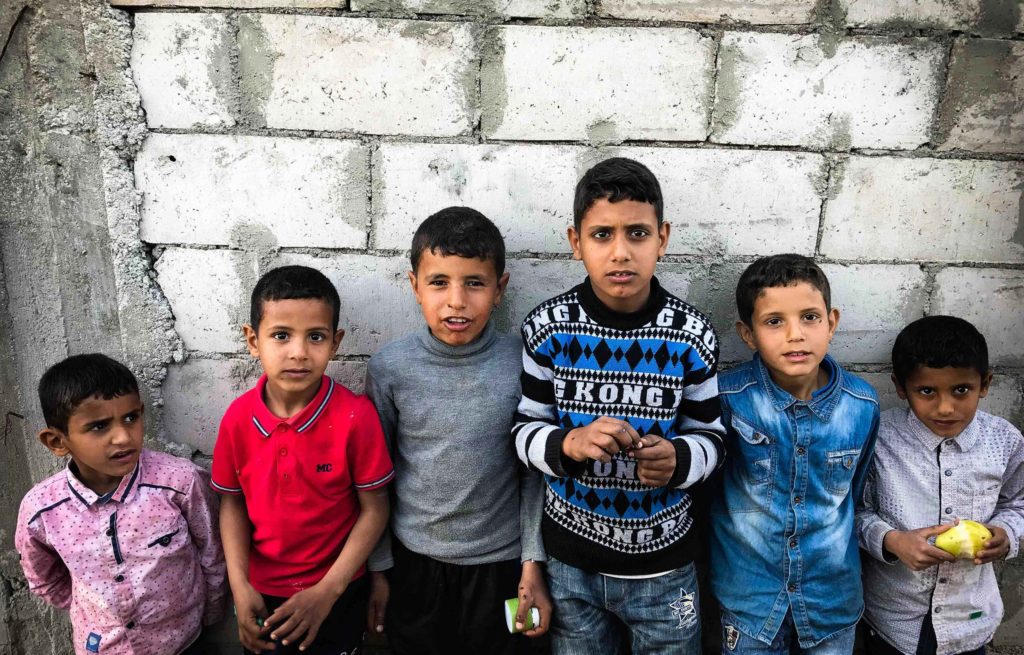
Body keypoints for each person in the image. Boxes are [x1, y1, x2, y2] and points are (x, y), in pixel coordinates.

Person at [514, 157, 726, 654]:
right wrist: (570, 442)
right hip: (571, 567)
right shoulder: (548, 329)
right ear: (575, 242)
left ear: (663, 237)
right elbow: (524, 431)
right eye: (602, 235)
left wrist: (680, 460)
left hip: (666, 570)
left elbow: (713, 436)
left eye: (637, 233)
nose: (621, 252)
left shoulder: (690, 335)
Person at [365, 206, 550, 654]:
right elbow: (375, 479)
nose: (456, 301)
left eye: (474, 282)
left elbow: (533, 475)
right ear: (414, 286)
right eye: (439, 282)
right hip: (415, 565)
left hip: (502, 566)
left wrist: (532, 564)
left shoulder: (523, 363)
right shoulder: (391, 368)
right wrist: (380, 570)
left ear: (499, 288)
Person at [211, 265, 393, 654]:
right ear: (252, 340)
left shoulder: (354, 417)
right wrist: (240, 587)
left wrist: (328, 591)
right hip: (263, 595)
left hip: (339, 590)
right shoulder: (238, 420)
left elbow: (375, 509)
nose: (298, 352)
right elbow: (232, 503)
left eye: (315, 337)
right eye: (281, 335)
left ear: (336, 342)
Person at [710, 253, 879, 654]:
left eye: (809, 317)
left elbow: (853, 497)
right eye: (774, 322)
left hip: (830, 603)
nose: (795, 335)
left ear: (831, 322)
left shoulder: (861, 404)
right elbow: (709, 493)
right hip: (749, 600)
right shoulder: (728, 398)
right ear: (747, 333)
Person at [16, 353, 226, 655]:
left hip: (185, 642)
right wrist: (97, 614)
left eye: (131, 418)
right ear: (57, 442)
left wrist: (209, 617)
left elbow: (212, 555)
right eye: (99, 426)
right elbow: (44, 580)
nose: (123, 437)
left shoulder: (180, 482)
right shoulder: (42, 510)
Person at [857, 315, 1024, 655]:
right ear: (901, 387)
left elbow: (1018, 503)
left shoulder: (1004, 441)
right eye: (927, 391)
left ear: (986, 383)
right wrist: (892, 541)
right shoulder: (878, 438)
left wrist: (1006, 533)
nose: (945, 408)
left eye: (961, 390)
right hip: (892, 621)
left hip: (970, 621)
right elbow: (852, 511)